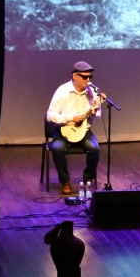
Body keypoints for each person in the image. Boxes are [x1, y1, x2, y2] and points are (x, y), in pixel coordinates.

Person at [46, 61, 104, 195]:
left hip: (84, 130)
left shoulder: (93, 93)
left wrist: (95, 113)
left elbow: (98, 115)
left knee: (94, 148)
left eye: (90, 77)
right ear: (74, 76)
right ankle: (65, 181)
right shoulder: (62, 91)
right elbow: (50, 116)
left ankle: (88, 180)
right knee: (58, 148)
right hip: (64, 129)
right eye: (84, 77)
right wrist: (70, 118)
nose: (88, 80)